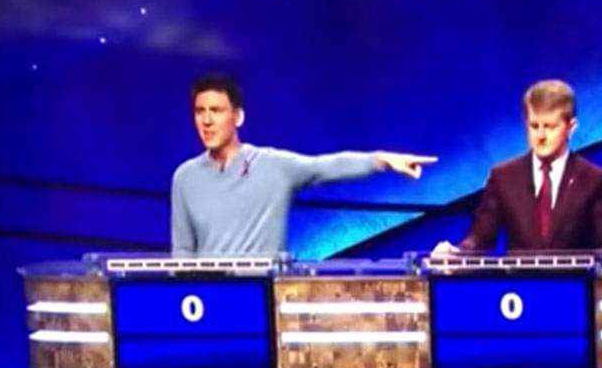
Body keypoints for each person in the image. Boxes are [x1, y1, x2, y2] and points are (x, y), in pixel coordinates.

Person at [171, 73, 436, 255]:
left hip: (262, 297)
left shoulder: (274, 166)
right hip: (208, 302)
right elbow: (182, 253)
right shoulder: (185, 177)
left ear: (238, 117)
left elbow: (326, 166)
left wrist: (382, 160)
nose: (206, 121)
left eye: (216, 111)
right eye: (199, 111)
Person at [432, 79, 602, 255]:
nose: (541, 136)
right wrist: (457, 254)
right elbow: (479, 238)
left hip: (574, 280)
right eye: (534, 126)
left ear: (570, 127)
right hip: (519, 281)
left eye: (549, 127)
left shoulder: (593, 180)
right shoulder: (504, 177)